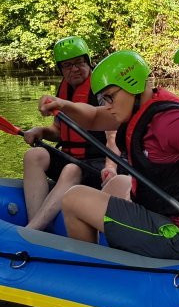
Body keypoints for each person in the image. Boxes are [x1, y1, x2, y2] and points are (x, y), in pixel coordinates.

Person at [39, 50, 179, 259]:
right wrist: (63, 105)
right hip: (162, 213)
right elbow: (92, 118)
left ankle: (93, 273)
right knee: (119, 181)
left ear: (132, 86)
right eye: (102, 99)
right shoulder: (139, 107)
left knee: (73, 198)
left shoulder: (167, 122)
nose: (106, 106)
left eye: (109, 97)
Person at [21, 37, 116, 230]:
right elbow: (58, 131)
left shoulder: (101, 89)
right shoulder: (64, 89)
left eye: (79, 63)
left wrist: (110, 167)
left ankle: (32, 231)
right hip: (72, 157)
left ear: (88, 62)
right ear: (61, 69)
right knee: (33, 155)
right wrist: (40, 131)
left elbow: (112, 136)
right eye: (67, 65)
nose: (74, 69)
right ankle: (39, 222)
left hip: (99, 163)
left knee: (71, 169)